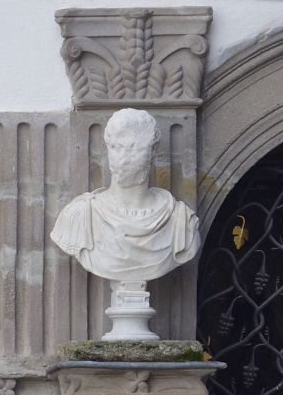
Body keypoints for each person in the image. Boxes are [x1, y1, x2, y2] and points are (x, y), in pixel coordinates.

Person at [51, 108, 200, 283]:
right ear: (107, 149)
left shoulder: (181, 222)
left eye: (135, 148)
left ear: (152, 152)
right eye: (116, 147)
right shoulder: (79, 215)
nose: (124, 157)